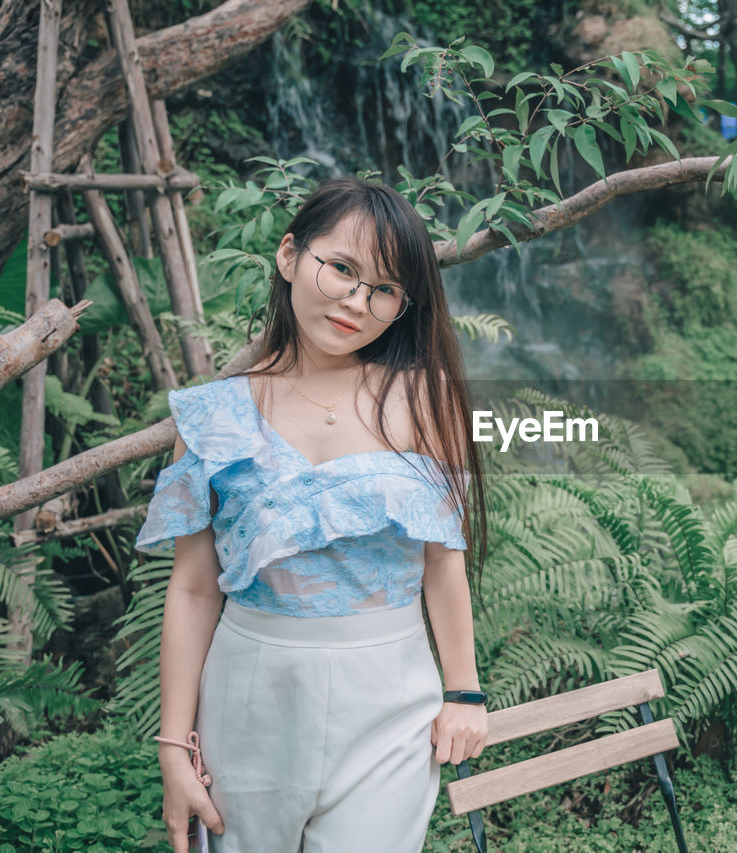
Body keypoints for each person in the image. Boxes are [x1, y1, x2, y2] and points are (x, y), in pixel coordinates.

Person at [134, 176, 488, 853]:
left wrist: (464, 691)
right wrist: (174, 747)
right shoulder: (213, 416)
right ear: (291, 255)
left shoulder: (425, 400)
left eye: (383, 288)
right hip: (249, 694)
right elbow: (194, 587)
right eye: (342, 269)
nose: (358, 301)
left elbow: (445, 560)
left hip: (390, 693)